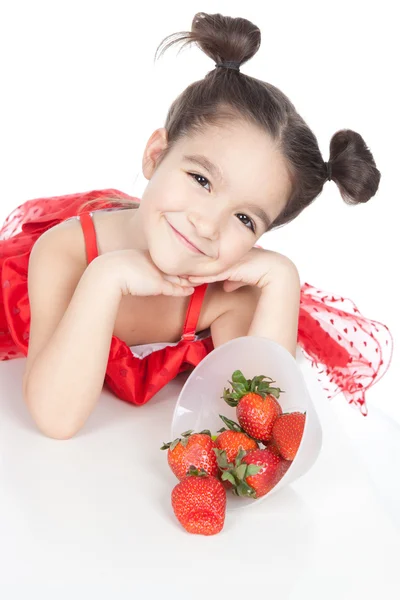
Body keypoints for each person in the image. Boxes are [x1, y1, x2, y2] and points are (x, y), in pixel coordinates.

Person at [0, 12, 393, 439]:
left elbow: (259, 428)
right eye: (201, 180)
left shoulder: (227, 294)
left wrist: (283, 279)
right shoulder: (65, 254)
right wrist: (104, 278)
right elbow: (56, 419)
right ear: (155, 155)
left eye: (245, 219)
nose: (207, 225)